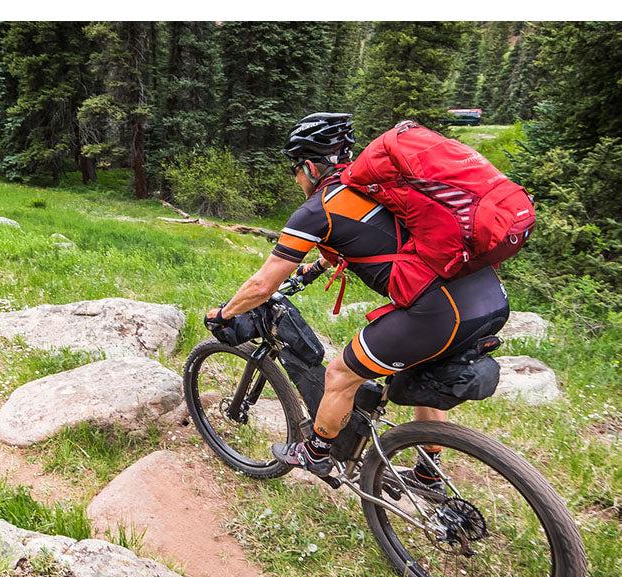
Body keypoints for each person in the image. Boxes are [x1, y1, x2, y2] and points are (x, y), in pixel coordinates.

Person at [206, 113, 510, 491]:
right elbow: (354, 245)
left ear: (311, 166)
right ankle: (429, 473)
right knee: (415, 367)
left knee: (340, 374)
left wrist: (223, 313)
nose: (297, 179)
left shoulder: (318, 209)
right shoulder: (376, 187)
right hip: (489, 297)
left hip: (439, 312)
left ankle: (314, 452)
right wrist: (309, 274)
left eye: (296, 170)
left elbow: (262, 285)